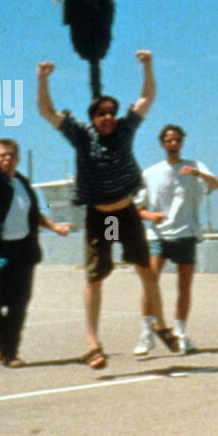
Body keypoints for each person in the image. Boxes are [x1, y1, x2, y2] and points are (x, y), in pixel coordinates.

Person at [36, 50, 176, 370]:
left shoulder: (125, 130)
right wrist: (43, 80)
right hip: (103, 218)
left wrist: (148, 66)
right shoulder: (82, 137)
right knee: (97, 277)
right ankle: (92, 343)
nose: (108, 117)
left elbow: (147, 97)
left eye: (111, 112)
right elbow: (46, 112)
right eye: (101, 113)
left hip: (125, 213)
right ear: (93, 117)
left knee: (145, 269)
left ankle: (161, 325)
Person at [0, 100, 69, 367]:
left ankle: (10, 352)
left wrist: (55, 226)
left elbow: (32, 214)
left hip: (22, 251)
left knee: (18, 305)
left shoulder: (23, 182)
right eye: (1, 155)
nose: (6, 159)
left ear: (17, 157)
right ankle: (2, 340)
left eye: (11, 155)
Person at [134, 123, 218, 355]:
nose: (173, 144)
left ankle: (180, 334)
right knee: (150, 282)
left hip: (186, 234)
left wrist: (198, 173)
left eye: (177, 140)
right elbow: (137, 208)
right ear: (162, 144)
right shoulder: (150, 173)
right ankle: (147, 334)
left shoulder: (195, 166)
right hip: (158, 236)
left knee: (184, 287)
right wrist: (151, 215)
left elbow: (216, 184)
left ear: (182, 143)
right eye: (169, 140)